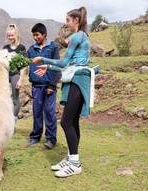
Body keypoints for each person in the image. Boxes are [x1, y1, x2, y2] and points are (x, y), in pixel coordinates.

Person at [33, 7, 96, 178]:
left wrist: (43, 59)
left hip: (77, 79)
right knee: (73, 121)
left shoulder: (77, 36)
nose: (66, 23)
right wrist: (48, 66)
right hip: (77, 78)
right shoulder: (83, 36)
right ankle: (71, 158)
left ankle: (75, 163)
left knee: (66, 122)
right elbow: (68, 64)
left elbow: (64, 62)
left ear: (76, 20)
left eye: (68, 20)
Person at [26, 23, 61, 149]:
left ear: (44, 35)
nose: (35, 38)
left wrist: (52, 85)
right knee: (37, 113)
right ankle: (35, 137)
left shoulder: (53, 48)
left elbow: (57, 67)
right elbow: (24, 63)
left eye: (37, 35)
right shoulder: (31, 50)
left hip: (49, 86)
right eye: (33, 35)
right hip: (36, 86)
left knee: (50, 113)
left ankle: (51, 139)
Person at [3, 24, 26, 122]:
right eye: (8, 35)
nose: (10, 37)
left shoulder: (21, 48)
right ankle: (4, 120)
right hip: (5, 74)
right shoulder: (5, 47)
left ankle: (13, 121)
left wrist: (20, 79)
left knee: (15, 98)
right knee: (4, 98)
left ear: (16, 35)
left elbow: (24, 65)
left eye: (12, 35)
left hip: (14, 74)